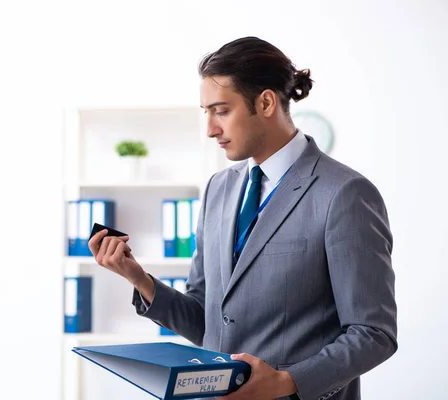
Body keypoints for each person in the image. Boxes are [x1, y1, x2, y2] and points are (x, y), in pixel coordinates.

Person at [88, 37, 397, 400]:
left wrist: (287, 382)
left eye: (221, 111)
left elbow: (374, 333)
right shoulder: (219, 189)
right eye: (206, 112)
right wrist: (139, 279)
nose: (210, 129)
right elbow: (207, 319)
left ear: (265, 102)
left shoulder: (343, 193)